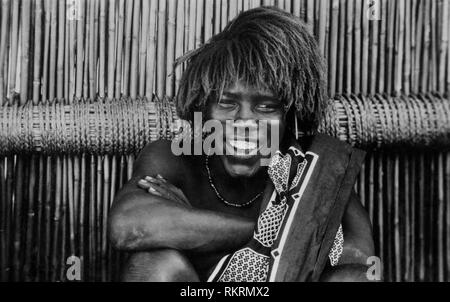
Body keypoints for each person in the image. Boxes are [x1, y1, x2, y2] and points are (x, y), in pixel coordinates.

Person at [108, 6, 376, 282]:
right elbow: (128, 227)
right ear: (203, 107)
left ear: (288, 117)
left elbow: (357, 262)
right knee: (155, 265)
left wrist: (193, 225)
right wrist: (280, 231)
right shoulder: (175, 158)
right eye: (226, 103)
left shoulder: (313, 172)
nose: (245, 122)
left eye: (266, 107)